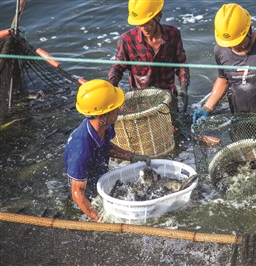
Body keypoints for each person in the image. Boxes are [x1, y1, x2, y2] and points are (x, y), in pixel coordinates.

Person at [64, 79, 150, 221]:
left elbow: (105, 146)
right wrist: (100, 220)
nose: (119, 110)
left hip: (100, 176)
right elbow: (77, 193)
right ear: (101, 116)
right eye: (115, 108)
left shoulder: (105, 126)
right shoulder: (81, 148)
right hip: (89, 194)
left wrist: (132, 156)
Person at [108, 0, 190, 113]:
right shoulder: (127, 39)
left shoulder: (173, 34)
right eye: (140, 24)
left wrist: (184, 86)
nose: (144, 28)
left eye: (148, 23)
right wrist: (110, 89)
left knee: (172, 128)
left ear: (159, 16)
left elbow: (181, 65)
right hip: (139, 99)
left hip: (167, 98)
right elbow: (117, 68)